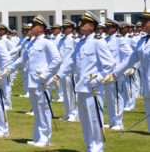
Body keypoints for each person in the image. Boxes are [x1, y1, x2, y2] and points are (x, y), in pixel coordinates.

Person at [53, 11, 114, 152]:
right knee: (85, 120)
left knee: (94, 119)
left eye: (83, 24)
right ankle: (90, 145)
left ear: (92, 26)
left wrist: (98, 79)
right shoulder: (80, 43)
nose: (80, 26)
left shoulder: (98, 42)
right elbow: (71, 61)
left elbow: (109, 64)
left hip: (92, 88)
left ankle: (98, 147)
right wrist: (59, 75)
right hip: (81, 86)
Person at [14, 15, 62, 148]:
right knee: (37, 110)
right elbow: (22, 60)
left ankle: (45, 138)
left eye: (34, 26)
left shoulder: (47, 42)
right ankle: (37, 138)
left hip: (42, 82)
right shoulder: (31, 43)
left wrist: (46, 74)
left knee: (44, 110)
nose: (31, 28)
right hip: (32, 81)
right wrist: (8, 68)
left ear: (40, 28)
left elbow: (57, 59)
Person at [104, 9, 150, 132]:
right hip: (147, 85)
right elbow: (130, 59)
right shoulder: (143, 41)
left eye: (146, 20)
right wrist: (115, 73)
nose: (143, 23)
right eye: (142, 20)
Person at [103, 19, 132, 130]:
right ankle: (112, 121)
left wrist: (120, 68)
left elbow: (129, 55)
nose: (106, 29)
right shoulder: (105, 40)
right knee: (110, 99)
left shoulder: (120, 40)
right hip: (107, 74)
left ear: (114, 28)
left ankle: (119, 123)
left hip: (116, 74)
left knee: (117, 98)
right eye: (106, 27)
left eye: (109, 27)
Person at [57, 20, 78, 122]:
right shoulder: (61, 41)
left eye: (66, 28)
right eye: (63, 28)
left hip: (70, 71)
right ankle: (68, 113)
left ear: (71, 29)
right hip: (61, 70)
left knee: (72, 93)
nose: (64, 30)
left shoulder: (74, 40)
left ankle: (74, 114)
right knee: (65, 93)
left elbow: (77, 56)